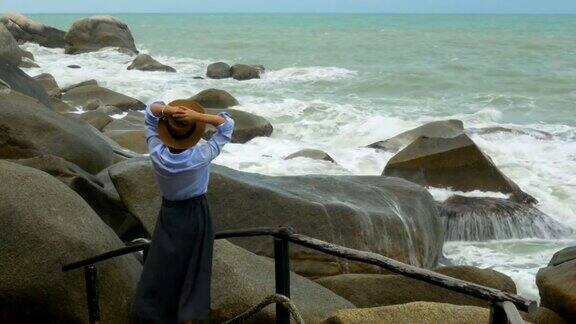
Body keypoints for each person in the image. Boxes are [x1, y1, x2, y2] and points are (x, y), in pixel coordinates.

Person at [133, 98, 235, 324]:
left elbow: (150, 112)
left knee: (165, 263)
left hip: (169, 212)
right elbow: (227, 125)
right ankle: (189, 315)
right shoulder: (200, 156)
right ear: (193, 135)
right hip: (195, 212)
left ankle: (155, 313)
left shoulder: (157, 152)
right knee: (195, 266)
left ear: (166, 132)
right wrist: (196, 116)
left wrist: (170, 110)